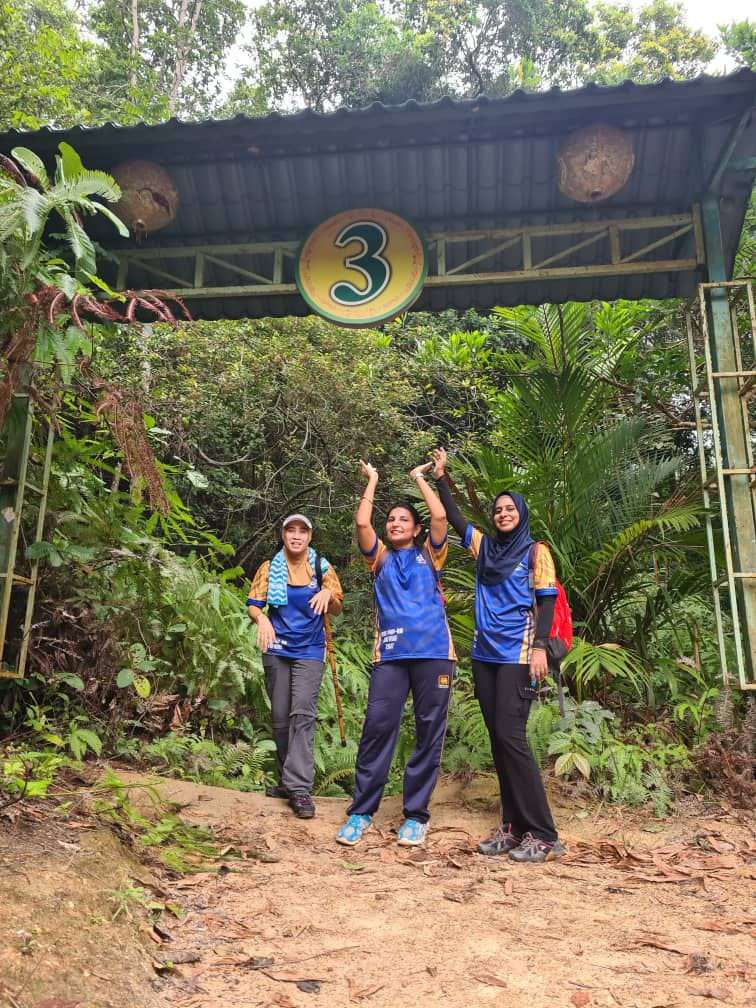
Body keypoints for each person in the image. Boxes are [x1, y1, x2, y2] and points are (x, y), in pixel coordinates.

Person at [433, 448, 565, 864]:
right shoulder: (486, 549)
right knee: (498, 740)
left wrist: (540, 648)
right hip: (485, 655)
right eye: (498, 510)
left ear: (521, 514)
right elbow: (456, 519)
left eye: (510, 509)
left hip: (519, 654)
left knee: (512, 737)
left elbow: (546, 601)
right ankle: (513, 827)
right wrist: (441, 478)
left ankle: (544, 834)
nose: (503, 514)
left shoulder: (535, 552)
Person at [336, 460, 456, 848]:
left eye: (404, 519)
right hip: (390, 655)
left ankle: (416, 815)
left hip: (434, 653)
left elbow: (440, 516)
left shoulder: (431, 554)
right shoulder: (380, 558)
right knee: (378, 727)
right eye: (391, 519)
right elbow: (362, 523)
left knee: (428, 732)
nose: (395, 523)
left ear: (416, 528)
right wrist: (372, 480)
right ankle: (361, 812)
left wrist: (419, 478)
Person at [247, 514, 343, 820]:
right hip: (276, 648)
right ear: (283, 534)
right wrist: (261, 618)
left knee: (302, 713)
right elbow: (254, 603)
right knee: (280, 717)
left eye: (303, 531)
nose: (296, 535)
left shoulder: (322, 567)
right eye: (291, 530)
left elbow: (337, 606)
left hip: (310, 649)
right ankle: (287, 782)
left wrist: (328, 593)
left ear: (310, 537)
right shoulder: (269, 567)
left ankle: (299, 788)